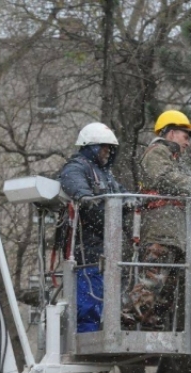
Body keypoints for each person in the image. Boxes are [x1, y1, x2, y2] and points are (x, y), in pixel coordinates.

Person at [124, 110, 191, 329]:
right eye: (185, 136)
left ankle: (150, 319)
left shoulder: (174, 160)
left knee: (166, 286)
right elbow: (164, 179)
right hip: (161, 229)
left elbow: (180, 184)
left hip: (173, 233)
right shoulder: (157, 152)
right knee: (152, 278)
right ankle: (129, 314)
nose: (188, 142)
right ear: (170, 133)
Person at [59, 123, 126, 332]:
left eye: (109, 148)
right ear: (92, 146)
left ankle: (96, 331)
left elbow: (122, 194)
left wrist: (136, 201)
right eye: (104, 147)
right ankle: (86, 334)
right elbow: (72, 181)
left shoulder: (107, 175)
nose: (107, 152)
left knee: (102, 299)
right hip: (86, 249)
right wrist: (84, 196)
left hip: (106, 249)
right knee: (88, 300)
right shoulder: (77, 166)